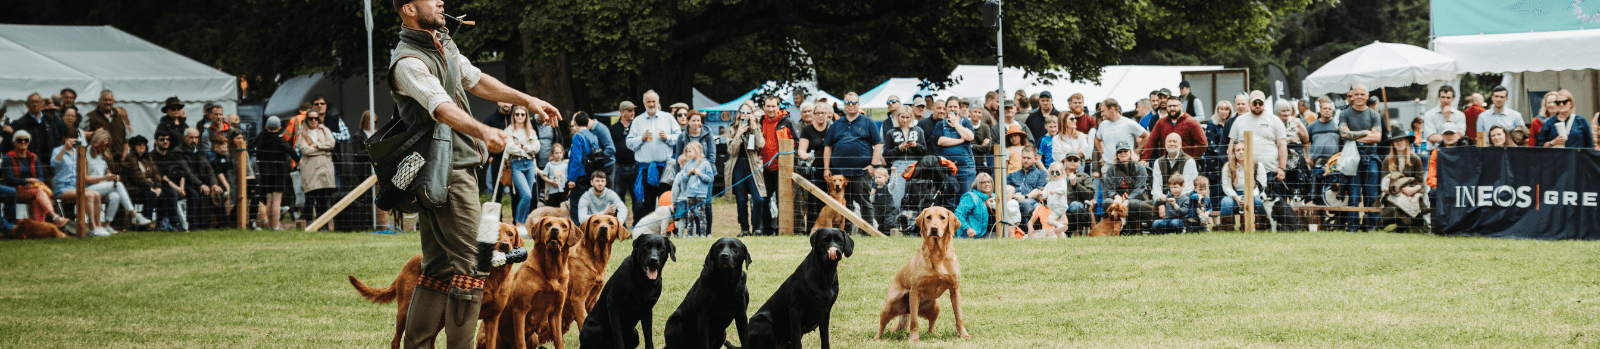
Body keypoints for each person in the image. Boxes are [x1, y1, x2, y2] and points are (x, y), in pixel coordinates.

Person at [388, 0, 563, 345]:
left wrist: (527, 100)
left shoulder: (440, 42)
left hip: (451, 169)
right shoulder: (408, 61)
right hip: (446, 173)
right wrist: (482, 131)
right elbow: (441, 107)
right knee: (475, 263)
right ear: (408, 8)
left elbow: (476, 79)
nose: (440, 1)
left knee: (437, 267)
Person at [822, 92, 884, 235]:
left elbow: (878, 144)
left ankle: (868, 233)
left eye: (854, 102)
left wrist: (873, 165)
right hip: (840, 173)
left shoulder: (868, 122)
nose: (851, 105)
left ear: (858, 104)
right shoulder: (837, 124)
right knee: (844, 203)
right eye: (848, 103)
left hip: (861, 171)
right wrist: (826, 168)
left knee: (865, 203)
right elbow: (828, 146)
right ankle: (844, 233)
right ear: (844, 105)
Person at [626, 90, 683, 225]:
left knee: (665, 200)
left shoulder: (668, 117)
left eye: (654, 101)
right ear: (644, 103)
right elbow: (628, 143)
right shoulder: (637, 121)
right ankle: (648, 229)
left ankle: (668, 231)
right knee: (648, 201)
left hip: (665, 167)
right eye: (648, 102)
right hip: (646, 168)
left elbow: (680, 137)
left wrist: (667, 138)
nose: (651, 104)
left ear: (658, 102)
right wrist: (642, 138)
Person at [0, 131, 66, 228]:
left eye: (26, 140)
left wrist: (33, 182)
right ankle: (54, 216)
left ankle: (39, 228)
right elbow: (9, 179)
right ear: (14, 142)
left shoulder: (33, 157)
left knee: (36, 199)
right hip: (15, 189)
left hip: (31, 189)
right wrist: (26, 180)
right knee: (38, 192)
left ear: (29, 142)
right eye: (19, 140)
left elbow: (40, 177)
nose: (23, 142)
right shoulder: (8, 158)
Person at [51, 130, 109, 236]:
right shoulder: (57, 150)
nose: (73, 140)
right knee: (88, 195)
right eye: (70, 138)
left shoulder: (78, 151)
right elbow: (54, 163)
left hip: (75, 186)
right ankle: (92, 227)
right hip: (62, 188)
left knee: (96, 194)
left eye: (75, 137)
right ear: (64, 138)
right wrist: (64, 148)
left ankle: (99, 226)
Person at [85, 130, 145, 230]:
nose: (106, 147)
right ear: (97, 142)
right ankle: (134, 215)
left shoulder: (102, 154)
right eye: (104, 144)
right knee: (118, 185)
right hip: (89, 186)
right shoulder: (85, 154)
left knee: (115, 196)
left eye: (107, 145)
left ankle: (107, 225)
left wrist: (112, 176)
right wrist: (104, 178)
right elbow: (84, 178)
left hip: (101, 185)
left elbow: (107, 172)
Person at [724, 102, 767, 237]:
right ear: (739, 113)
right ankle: (744, 229)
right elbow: (731, 151)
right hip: (737, 165)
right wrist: (738, 135)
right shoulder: (732, 128)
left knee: (758, 198)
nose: (746, 114)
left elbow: (760, 145)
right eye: (743, 111)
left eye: (749, 112)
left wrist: (754, 128)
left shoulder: (756, 127)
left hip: (752, 165)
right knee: (741, 199)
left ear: (752, 114)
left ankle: (757, 228)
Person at [120, 135, 180, 232]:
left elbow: (156, 173)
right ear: (134, 146)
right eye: (139, 144)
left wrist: (158, 187)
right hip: (134, 190)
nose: (142, 146)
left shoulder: (147, 158)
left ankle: (161, 223)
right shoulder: (130, 158)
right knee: (150, 195)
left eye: (144, 144)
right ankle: (145, 224)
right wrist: (150, 186)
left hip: (147, 188)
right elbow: (137, 176)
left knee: (162, 195)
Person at [929, 97, 977, 207]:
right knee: (949, 201)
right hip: (947, 169)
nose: (952, 109)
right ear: (946, 109)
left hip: (966, 168)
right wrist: (960, 139)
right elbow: (941, 141)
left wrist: (956, 123)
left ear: (959, 109)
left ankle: (965, 224)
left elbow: (970, 136)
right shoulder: (940, 125)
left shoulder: (966, 122)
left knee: (966, 200)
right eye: (950, 107)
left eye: (955, 106)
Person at [296, 113, 338, 231]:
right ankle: (310, 223)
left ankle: (323, 224)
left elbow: (331, 144)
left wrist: (317, 145)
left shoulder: (325, 130)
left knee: (323, 198)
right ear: (307, 120)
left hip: (324, 168)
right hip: (309, 168)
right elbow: (305, 149)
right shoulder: (302, 132)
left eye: (316, 118)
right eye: (311, 118)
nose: (314, 120)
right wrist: (322, 149)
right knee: (310, 196)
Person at [1103, 141, 1156, 233]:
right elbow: (1109, 189)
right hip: (1118, 198)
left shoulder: (1140, 168)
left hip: (1136, 197)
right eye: (1120, 152)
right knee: (1107, 202)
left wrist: (1128, 199)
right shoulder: (1111, 169)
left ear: (1130, 153)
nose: (1123, 153)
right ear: (1117, 155)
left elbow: (1140, 189)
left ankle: (1135, 231)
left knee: (1133, 204)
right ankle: (1112, 231)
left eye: (1125, 151)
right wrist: (1116, 196)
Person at [252, 117, 294, 231]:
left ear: (266, 127)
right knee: (276, 200)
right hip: (278, 172)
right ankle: (275, 226)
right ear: (280, 128)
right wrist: (298, 160)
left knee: (269, 199)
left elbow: (251, 146)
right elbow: (290, 150)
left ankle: (270, 225)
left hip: (264, 171)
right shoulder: (279, 139)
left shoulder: (260, 138)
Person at [504, 106, 541, 227]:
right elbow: (510, 148)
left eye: (523, 114)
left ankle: (524, 224)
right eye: (517, 114)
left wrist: (522, 147)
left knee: (528, 197)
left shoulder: (530, 130)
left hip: (530, 164)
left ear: (526, 116)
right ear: (513, 116)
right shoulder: (509, 130)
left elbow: (537, 148)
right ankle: (519, 224)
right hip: (516, 164)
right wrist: (527, 148)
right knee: (526, 195)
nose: (520, 117)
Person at [1142, 96, 1207, 161]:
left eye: (1175, 106)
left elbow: (1203, 143)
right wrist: (1144, 159)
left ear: (1181, 107)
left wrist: (1193, 160)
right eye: (1169, 106)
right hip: (1167, 164)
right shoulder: (1161, 122)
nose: (1172, 108)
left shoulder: (1191, 122)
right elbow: (1151, 141)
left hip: (1185, 164)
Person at [1045, 151, 1095, 234]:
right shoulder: (1056, 173)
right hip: (1056, 204)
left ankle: (1071, 233)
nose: (1072, 162)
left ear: (1079, 162)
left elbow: (1090, 195)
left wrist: (1076, 184)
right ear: (1065, 161)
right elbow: (1047, 187)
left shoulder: (1084, 176)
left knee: (1076, 204)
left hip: (1073, 206)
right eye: (1069, 159)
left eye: (1075, 160)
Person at [671, 142, 714, 238]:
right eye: (686, 152)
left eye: (689, 151)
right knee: (690, 214)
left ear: (697, 151)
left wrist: (700, 174)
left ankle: (703, 234)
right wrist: (688, 174)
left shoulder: (705, 164)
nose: (687, 154)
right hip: (689, 194)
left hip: (701, 194)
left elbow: (710, 178)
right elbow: (684, 180)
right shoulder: (688, 165)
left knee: (701, 215)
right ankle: (690, 235)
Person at [566, 112, 603, 217]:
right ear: (587, 123)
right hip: (591, 174)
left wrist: (572, 179)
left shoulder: (578, 137)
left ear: (576, 123)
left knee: (576, 204)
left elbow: (576, 159)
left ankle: (578, 230)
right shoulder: (594, 136)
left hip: (580, 175)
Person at [1219, 140, 1267, 221]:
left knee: (1260, 201)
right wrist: (1237, 198)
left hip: (1254, 194)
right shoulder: (1228, 166)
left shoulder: (1258, 165)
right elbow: (1226, 186)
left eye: (1243, 149)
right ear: (1234, 153)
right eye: (1238, 150)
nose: (1241, 152)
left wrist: (1249, 196)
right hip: (1235, 195)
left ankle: (1262, 226)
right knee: (1226, 202)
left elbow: (1262, 185)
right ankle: (1227, 227)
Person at [1201, 99, 1236, 207]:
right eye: (1221, 109)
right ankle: (1216, 220)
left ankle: (1228, 219)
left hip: (1230, 161)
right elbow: (1212, 145)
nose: (1224, 112)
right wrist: (1226, 155)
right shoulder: (1212, 124)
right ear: (1217, 110)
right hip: (1214, 164)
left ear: (1230, 111)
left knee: (1229, 190)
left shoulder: (1233, 123)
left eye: (1226, 109)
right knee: (1215, 192)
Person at [1095, 98, 1148, 167]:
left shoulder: (1129, 123)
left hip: (1127, 167)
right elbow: (1097, 140)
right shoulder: (1102, 125)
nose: (1101, 114)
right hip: (1108, 166)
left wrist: (1136, 153)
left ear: (1112, 109)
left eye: (1103, 111)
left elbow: (1147, 136)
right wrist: (1102, 155)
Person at [479, 102, 513, 198]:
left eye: (509, 101)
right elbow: (483, 139)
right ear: (498, 102)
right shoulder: (490, 120)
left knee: (516, 192)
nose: (507, 104)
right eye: (504, 101)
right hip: (497, 159)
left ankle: (516, 213)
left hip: (513, 159)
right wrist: (489, 156)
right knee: (497, 190)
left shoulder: (516, 118)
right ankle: (497, 212)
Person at [1004, 147, 1047, 224]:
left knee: (1026, 203)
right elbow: (1004, 188)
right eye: (1024, 158)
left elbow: (1038, 190)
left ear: (1035, 159)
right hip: (1012, 200)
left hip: (1031, 201)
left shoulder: (1042, 173)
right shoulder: (1013, 175)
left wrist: (1024, 197)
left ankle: (1025, 231)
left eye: (1028, 158)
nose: (1025, 160)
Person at [1151, 133, 1199, 200]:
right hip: (1162, 200)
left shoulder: (1189, 161)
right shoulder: (1158, 162)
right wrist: (1160, 203)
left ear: (1180, 144)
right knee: (1138, 205)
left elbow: (1187, 189)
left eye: (1174, 141)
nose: (1172, 144)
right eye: (1169, 141)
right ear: (1165, 144)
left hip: (1182, 203)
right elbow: (1156, 187)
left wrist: (1172, 203)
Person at [610, 101, 638, 209]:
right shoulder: (613, 129)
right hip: (618, 167)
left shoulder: (637, 128)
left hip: (635, 166)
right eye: (630, 111)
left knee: (637, 197)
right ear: (622, 112)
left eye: (633, 110)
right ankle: (621, 224)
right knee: (618, 197)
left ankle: (637, 224)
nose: (633, 113)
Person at [85, 90, 131, 156]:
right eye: (105, 100)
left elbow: (126, 140)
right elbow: (80, 133)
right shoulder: (90, 116)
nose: (108, 102)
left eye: (110, 100)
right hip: (99, 160)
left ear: (113, 101)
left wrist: (124, 156)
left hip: (118, 160)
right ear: (99, 100)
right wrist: (93, 134)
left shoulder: (119, 117)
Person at [955, 173, 993, 238]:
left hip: (991, 234)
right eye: (983, 182)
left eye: (989, 182)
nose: (987, 184)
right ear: (977, 184)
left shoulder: (995, 198)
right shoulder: (970, 197)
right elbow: (958, 214)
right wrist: (968, 229)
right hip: (972, 236)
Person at [539, 143, 569, 209]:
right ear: (552, 154)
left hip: (562, 191)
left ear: (563, 153)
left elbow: (567, 177)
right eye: (556, 153)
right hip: (552, 192)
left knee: (562, 209)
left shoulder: (565, 165)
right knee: (552, 209)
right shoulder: (549, 165)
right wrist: (551, 181)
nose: (558, 155)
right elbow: (544, 176)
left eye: (560, 153)